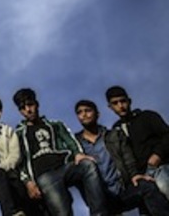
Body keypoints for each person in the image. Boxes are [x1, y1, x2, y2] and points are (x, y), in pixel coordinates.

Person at [12, 88, 106, 216]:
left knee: (88, 165)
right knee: (63, 212)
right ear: (20, 111)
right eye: (23, 108)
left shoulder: (55, 124)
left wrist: (78, 153)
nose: (28, 110)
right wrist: (28, 182)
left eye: (30, 105)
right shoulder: (18, 134)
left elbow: (70, 141)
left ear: (36, 104)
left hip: (65, 166)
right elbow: (19, 160)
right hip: (44, 176)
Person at [74, 99, 169, 216]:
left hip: (122, 191)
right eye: (79, 112)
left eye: (88, 111)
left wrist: (135, 175)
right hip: (99, 199)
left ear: (97, 114)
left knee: (147, 187)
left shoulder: (114, 135)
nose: (84, 114)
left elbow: (128, 158)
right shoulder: (75, 144)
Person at [105, 85, 169, 199]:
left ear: (129, 101)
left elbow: (167, 135)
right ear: (110, 107)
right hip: (138, 177)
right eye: (115, 103)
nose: (120, 106)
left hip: (160, 167)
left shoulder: (147, 116)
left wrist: (157, 155)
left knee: (164, 188)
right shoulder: (115, 131)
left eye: (123, 101)